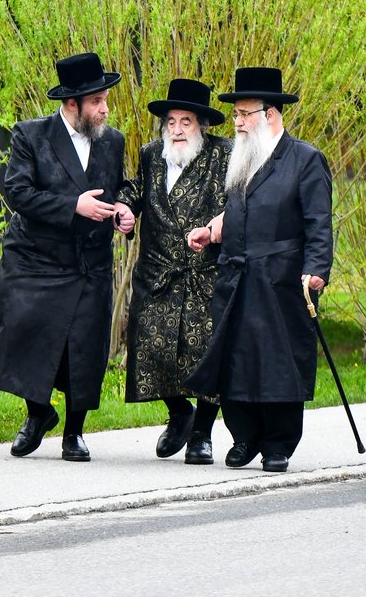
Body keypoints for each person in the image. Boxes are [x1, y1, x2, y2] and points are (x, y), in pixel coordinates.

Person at [0, 50, 135, 461]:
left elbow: (120, 187)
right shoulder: (30, 135)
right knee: (21, 335)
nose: (106, 109)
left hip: (88, 260)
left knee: (83, 346)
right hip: (35, 259)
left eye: (106, 100)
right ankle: (38, 413)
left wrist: (125, 209)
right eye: (98, 102)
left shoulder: (112, 141)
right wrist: (73, 205)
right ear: (72, 104)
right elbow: (17, 191)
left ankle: (74, 432)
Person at [187, 66, 332, 473]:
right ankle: (244, 436)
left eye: (243, 114)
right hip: (237, 276)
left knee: (277, 362)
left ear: (269, 114)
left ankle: (277, 443)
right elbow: (241, 211)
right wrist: (212, 231)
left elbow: (319, 222)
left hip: (282, 280)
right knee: (236, 358)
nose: (236, 122)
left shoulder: (305, 160)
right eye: (235, 115)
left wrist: (317, 268)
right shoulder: (242, 158)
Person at [117, 78, 230, 464]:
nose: (177, 130)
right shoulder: (152, 155)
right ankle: (180, 413)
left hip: (206, 273)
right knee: (151, 347)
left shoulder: (223, 155)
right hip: (158, 271)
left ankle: (202, 434)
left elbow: (244, 202)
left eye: (186, 121)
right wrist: (126, 209)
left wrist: (220, 225)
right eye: (171, 121)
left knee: (205, 353)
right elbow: (134, 189)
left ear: (201, 125)